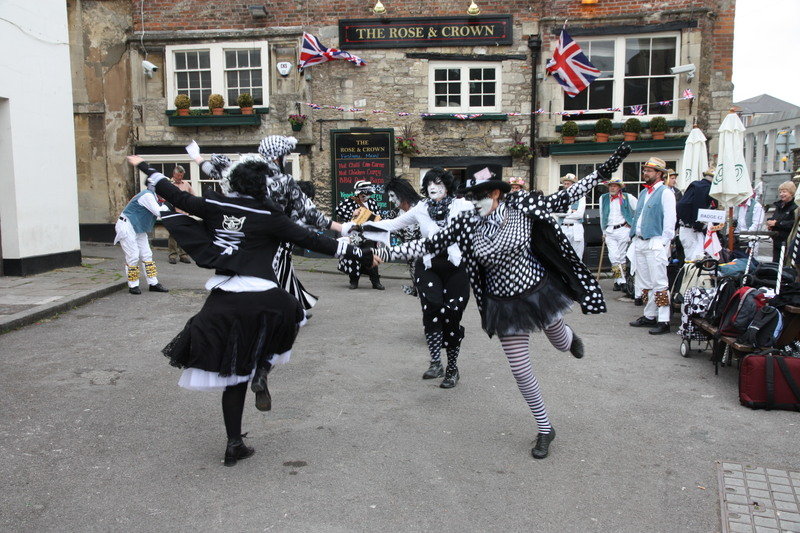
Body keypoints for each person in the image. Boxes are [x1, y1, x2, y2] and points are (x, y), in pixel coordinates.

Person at [373, 144, 632, 459]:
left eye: (479, 196)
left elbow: (565, 197)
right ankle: (545, 428)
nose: (473, 202)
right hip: (503, 302)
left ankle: (567, 336)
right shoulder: (468, 222)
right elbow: (432, 243)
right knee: (520, 370)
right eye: (470, 197)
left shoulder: (522, 206)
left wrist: (604, 170)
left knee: (559, 339)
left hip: (537, 290)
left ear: (495, 194)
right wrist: (383, 254)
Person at [126, 154, 372, 467]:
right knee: (295, 312)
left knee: (233, 374)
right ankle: (264, 369)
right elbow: (313, 239)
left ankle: (233, 444)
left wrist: (146, 166)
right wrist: (362, 253)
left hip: (223, 299)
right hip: (264, 294)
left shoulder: (216, 205)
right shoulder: (270, 214)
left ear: (232, 182)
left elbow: (177, 195)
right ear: (262, 186)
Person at [361, 168, 473, 388]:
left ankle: (452, 368)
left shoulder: (463, 206)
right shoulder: (421, 208)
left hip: (457, 267)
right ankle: (435, 362)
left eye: (438, 182)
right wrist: (357, 226)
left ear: (448, 186)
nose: (433, 187)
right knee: (431, 306)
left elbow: (488, 215)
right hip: (428, 265)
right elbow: (393, 225)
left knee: (451, 314)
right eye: (429, 183)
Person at [628, 157, 677, 335]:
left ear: (659, 174)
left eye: (649, 171)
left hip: (655, 240)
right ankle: (649, 315)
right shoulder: (644, 193)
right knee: (645, 282)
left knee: (660, 282)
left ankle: (664, 320)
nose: (645, 173)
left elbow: (670, 221)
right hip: (640, 241)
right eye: (645, 170)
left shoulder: (665, 192)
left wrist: (663, 243)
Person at [113, 187, 169, 295]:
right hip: (127, 225)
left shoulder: (155, 198)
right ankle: (133, 285)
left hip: (138, 227)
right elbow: (159, 212)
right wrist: (170, 204)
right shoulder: (148, 196)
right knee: (133, 255)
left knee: (147, 254)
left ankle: (153, 283)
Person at [336, 180, 384, 290]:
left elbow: (378, 217)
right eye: (362, 195)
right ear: (358, 193)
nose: (364, 198)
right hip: (354, 235)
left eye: (367, 195)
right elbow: (338, 210)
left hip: (369, 235)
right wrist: (352, 213)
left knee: (371, 256)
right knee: (353, 257)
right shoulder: (350, 201)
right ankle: (354, 281)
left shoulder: (373, 203)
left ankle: (375, 281)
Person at [383, 176, 422, 297]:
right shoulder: (394, 214)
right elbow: (378, 224)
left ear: (402, 194)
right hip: (413, 263)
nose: (390, 200)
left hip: (430, 260)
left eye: (392, 196)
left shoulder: (423, 207)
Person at [599, 177, 637, 292]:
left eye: (615, 186)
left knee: (621, 256)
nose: (612, 188)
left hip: (622, 229)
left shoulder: (628, 197)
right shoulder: (603, 198)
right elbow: (601, 215)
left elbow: (639, 209)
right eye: (610, 186)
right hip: (610, 230)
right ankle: (622, 281)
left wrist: (631, 222)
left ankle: (617, 281)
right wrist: (603, 232)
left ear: (620, 187)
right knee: (613, 256)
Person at [676, 167, 716, 261]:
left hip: (687, 227)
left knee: (694, 257)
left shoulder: (695, 186)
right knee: (694, 259)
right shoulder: (705, 188)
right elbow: (699, 207)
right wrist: (698, 224)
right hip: (691, 229)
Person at [553, 173, 586, 260]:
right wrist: (571, 211)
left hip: (576, 227)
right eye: (565, 184)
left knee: (577, 255)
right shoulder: (559, 196)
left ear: (573, 185)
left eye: (568, 184)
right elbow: (557, 213)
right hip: (563, 227)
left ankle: (577, 273)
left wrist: (564, 213)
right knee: (563, 253)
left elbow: (579, 214)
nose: (566, 186)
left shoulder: (581, 197)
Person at [167, 165, 194, 264]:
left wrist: (192, 209)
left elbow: (193, 197)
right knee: (173, 235)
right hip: (173, 213)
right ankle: (173, 255)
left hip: (184, 213)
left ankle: (183, 255)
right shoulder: (169, 185)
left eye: (182, 175)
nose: (180, 177)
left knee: (184, 235)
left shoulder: (186, 184)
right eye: (178, 175)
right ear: (174, 174)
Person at [766, 181, 797, 262]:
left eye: (784, 191)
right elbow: (775, 217)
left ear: (791, 193)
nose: (781, 194)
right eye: (780, 192)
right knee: (775, 263)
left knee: (784, 263)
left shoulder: (795, 206)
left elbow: (793, 223)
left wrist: (777, 223)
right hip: (776, 239)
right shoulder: (779, 205)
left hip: (787, 240)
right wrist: (770, 222)